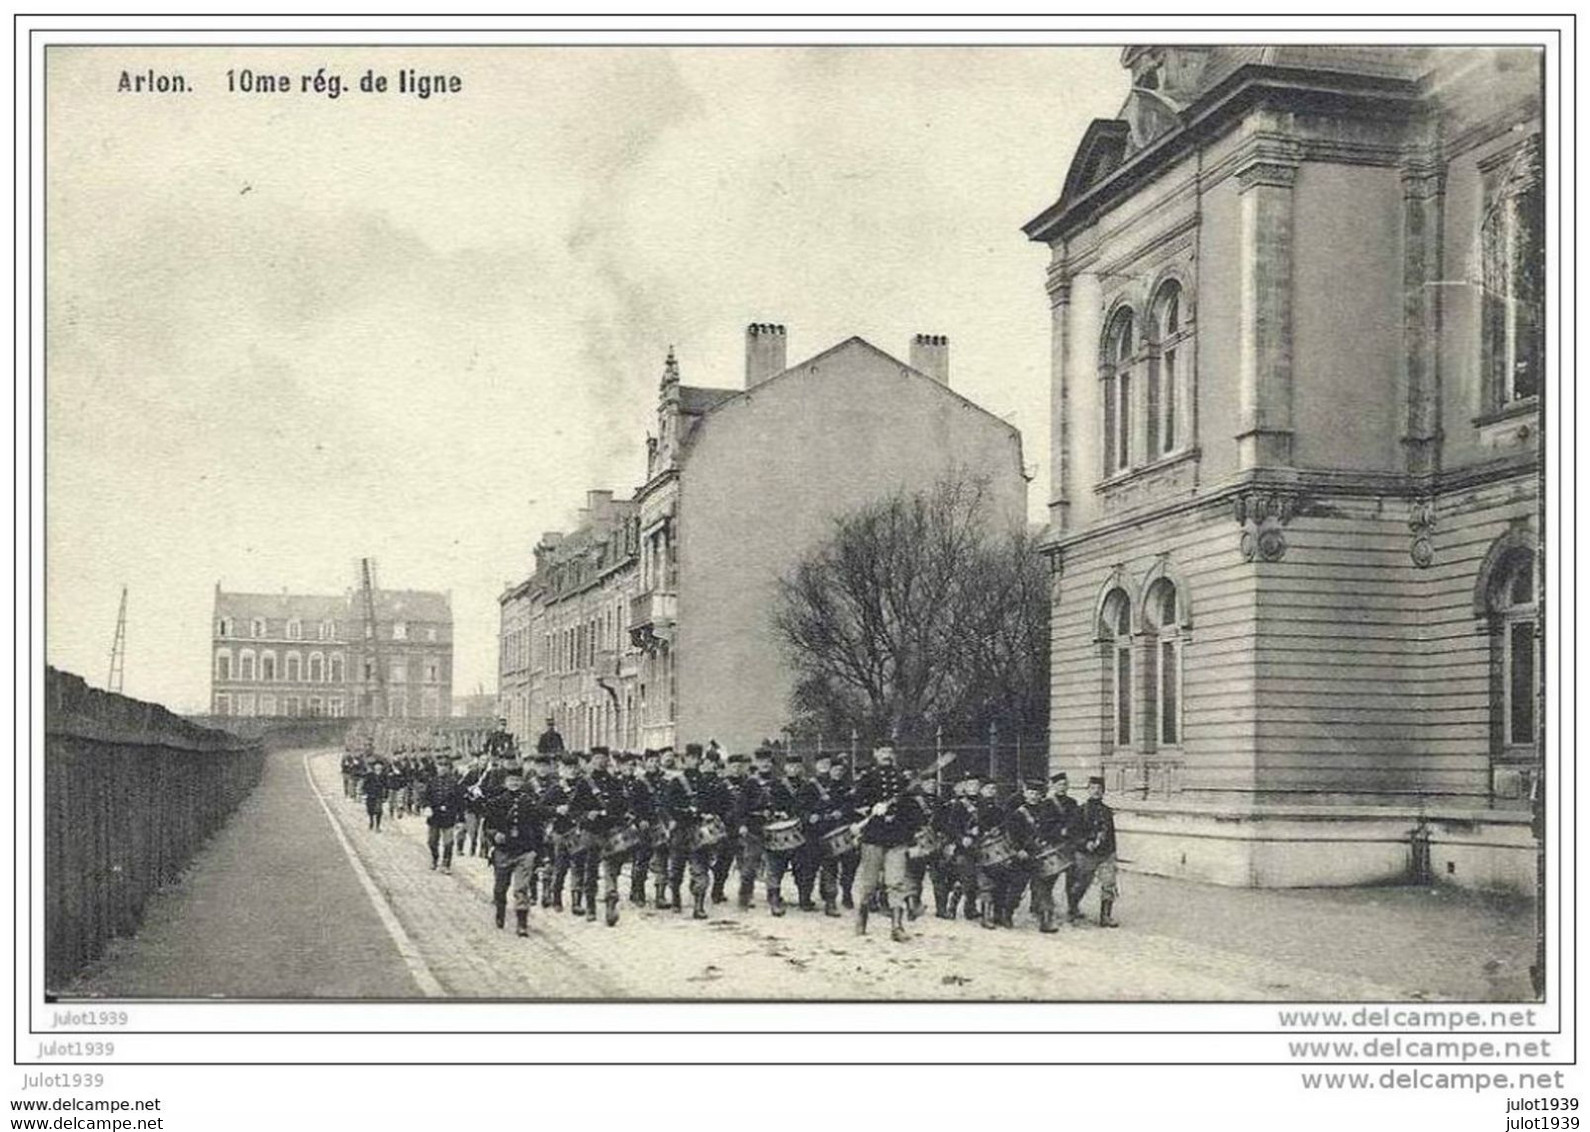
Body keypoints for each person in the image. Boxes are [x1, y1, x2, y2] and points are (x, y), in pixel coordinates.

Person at [853, 744, 921, 942]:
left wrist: (910, 835)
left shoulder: (903, 780)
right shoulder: (867, 778)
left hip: (897, 838)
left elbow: (912, 810)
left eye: (890, 752)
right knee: (870, 884)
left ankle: (897, 927)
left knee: (896, 882)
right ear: (875, 754)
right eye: (882, 752)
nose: (887, 756)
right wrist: (870, 809)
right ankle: (862, 918)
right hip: (873, 837)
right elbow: (854, 805)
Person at [482, 765, 544, 936]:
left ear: (522, 782)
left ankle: (522, 924)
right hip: (503, 852)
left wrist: (539, 855)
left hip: (525, 851)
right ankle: (500, 912)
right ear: (505, 782)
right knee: (500, 887)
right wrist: (494, 836)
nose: (514, 783)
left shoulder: (530, 803)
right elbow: (487, 826)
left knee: (522, 888)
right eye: (511, 780)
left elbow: (539, 829)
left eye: (517, 780)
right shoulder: (497, 803)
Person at [661, 746, 713, 919]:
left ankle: (698, 906)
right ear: (685, 759)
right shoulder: (676, 781)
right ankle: (675, 897)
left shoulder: (704, 781)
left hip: (698, 830)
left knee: (700, 869)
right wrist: (679, 816)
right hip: (681, 831)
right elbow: (667, 806)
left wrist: (708, 813)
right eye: (691, 757)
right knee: (676, 869)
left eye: (698, 757)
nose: (695, 760)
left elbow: (711, 803)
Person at [802, 754, 850, 917]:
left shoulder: (840, 786)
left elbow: (847, 804)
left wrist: (841, 812)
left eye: (827, 763)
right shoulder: (808, 786)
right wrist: (809, 816)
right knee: (810, 867)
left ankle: (831, 902)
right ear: (815, 765)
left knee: (831, 867)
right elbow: (799, 808)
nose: (824, 765)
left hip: (831, 831)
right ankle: (805, 898)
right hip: (813, 832)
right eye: (820, 763)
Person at [1068, 775, 1119, 927]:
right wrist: (1084, 843)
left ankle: (1105, 916)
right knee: (1081, 884)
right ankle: (1073, 908)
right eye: (1093, 788)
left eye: (1099, 789)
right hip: (1086, 855)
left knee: (1109, 884)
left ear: (1103, 791)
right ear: (1088, 790)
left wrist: (1113, 853)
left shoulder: (1107, 811)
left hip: (1105, 854)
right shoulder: (1081, 810)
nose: (1096, 791)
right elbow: (1073, 833)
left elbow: (1111, 834)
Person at [423, 753, 468, 873]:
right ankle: (434, 858)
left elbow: (460, 802)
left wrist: (461, 819)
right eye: (440, 765)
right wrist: (427, 806)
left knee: (448, 843)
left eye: (445, 766)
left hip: (449, 817)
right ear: (436, 767)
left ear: (449, 768)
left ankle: (446, 864)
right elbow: (426, 797)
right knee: (432, 841)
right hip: (434, 817)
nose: (442, 768)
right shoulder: (431, 782)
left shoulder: (455, 784)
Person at [361, 759, 387, 831]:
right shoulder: (370, 775)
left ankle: (378, 826)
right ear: (374, 767)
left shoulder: (384, 775)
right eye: (377, 765)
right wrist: (364, 792)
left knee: (379, 811)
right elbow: (365, 784)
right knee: (370, 810)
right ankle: (371, 821)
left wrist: (385, 796)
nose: (378, 767)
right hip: (370, 795)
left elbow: (386, 785)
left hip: (379, 795)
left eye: (380, 765)